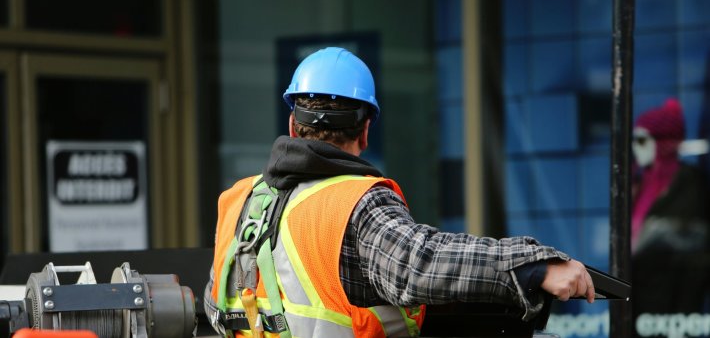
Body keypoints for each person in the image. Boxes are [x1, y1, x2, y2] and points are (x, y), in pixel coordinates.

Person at [203, 47, 594, 337]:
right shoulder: (356, 203)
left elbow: (216, 302)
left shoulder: (239, 199)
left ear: (292, 124)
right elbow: (418, 265)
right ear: (367, 131)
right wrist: (533, 265)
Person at [631, 99, 710, 326]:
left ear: (662, 141)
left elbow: (692, 243)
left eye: (642, 140)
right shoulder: (639, 184)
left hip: (673, 311)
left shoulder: (689, 183)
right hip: (639, 307)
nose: (636, 147)